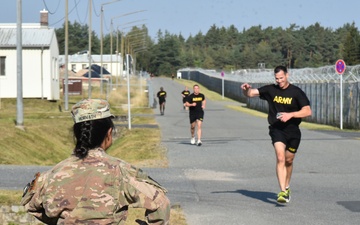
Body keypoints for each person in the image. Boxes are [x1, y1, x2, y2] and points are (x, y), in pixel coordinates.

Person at [21, 99, 170, 224]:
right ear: (109, 133)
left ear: (77, 134)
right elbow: (160, 203)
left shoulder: (54, 173)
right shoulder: (121, 171)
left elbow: (31, 205)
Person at [240, 65, 312, 203]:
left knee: (289, 160)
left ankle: (287, 186)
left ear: (287, 75)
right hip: (276, 129)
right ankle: (283, 192)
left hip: (293, 131)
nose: (279, 81)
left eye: (281, 78)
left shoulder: (296, 92)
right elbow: (250, 94)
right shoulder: (270, 90)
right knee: (280, 157)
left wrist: (291, 115)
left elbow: (308, 111)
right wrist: (246, 89)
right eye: (277, 78)